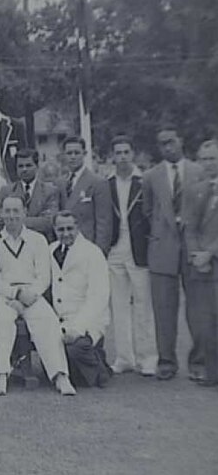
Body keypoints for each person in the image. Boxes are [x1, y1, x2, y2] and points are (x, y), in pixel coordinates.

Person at [0, 193, 74, 396]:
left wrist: (29, 296)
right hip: (6, 296)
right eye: (7, 211)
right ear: (1, 213)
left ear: (24, 213)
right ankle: (0, 375)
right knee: (1, 320)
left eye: (16, 211)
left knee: (47, 320)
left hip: (33, 295)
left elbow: (44, 276)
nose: (12, 215)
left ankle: (60, 375)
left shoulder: (38, 240)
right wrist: (16, 294)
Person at [142, 124, 205, 380]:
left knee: (199, 307)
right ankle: (166, 362)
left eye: (171, 141)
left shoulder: (199, 171)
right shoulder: (151, 176)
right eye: (162, 143)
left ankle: (199, 362)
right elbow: (147, 211)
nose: (167, 147)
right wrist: (163, 230)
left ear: (181, 141)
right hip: (162, 247)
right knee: (164, 308)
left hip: (193, 248)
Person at [106, 135, 157, 376]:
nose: (123, 157)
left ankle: (148, 358)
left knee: (143, 305)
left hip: (139, 251)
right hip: (115, 250)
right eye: (118, 153)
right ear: (113, 156)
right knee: (119, 306)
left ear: (133, 154)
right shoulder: (107, 183)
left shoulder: (144, 181)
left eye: (126, 152)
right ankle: (125, 357)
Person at [50, 211, 112, 388]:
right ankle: (83, 365)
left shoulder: (93, 253)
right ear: (54, 230)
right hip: (59, 320)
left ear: (78, 227)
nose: (66, 233)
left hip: (87, 321)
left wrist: (77, 329)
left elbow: (98, 298)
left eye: (70, 228)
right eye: (61, 229)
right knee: (56, 353)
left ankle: (100, 370)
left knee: (75, 349)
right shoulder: (51, 250)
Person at [182, 140, 218, 387]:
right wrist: (196, 254)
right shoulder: (197, 190)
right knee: (203, 321)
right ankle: (209, 371)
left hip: (213, 258)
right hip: (201, 267)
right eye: (204, 159)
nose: (208, 164)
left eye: (213, 158)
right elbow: (190, 226)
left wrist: (210, 253)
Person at [56, 136, 113, 254]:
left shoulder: (97, 182)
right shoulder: (60, 183)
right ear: (64, 155)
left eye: (76, 153)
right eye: (69, 153)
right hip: (65, 245)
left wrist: (100, 252)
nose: (73, 157)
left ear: (84, 154)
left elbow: (104, 223)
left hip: (87, 247)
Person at [0, 149, 59, 240]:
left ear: (37, 166)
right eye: (20, 166)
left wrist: (13, 220)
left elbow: (48, 222)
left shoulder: (50, 191)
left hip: (41, 242)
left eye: (28, 165)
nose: (24, 169)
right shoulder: (6, 191)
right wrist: (34, 221)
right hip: (13, 241)